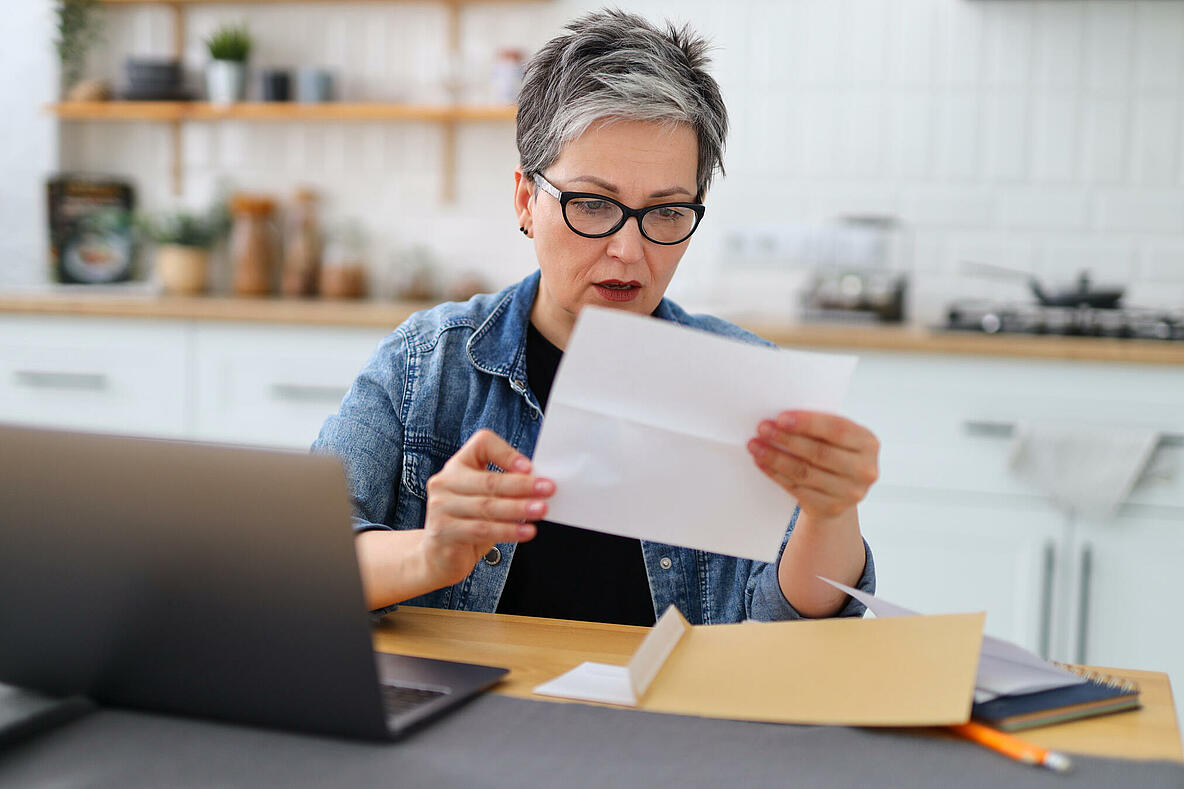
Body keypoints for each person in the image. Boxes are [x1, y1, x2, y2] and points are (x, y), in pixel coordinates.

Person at [313, 9, 878, 626]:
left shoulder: (748, 384)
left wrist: (832, 511)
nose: (629, 251)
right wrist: (429, 553)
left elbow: (789, 631)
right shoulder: (427, 364)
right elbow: (301, 562)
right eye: (592, 203)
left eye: (666, 212)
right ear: (527, 200)